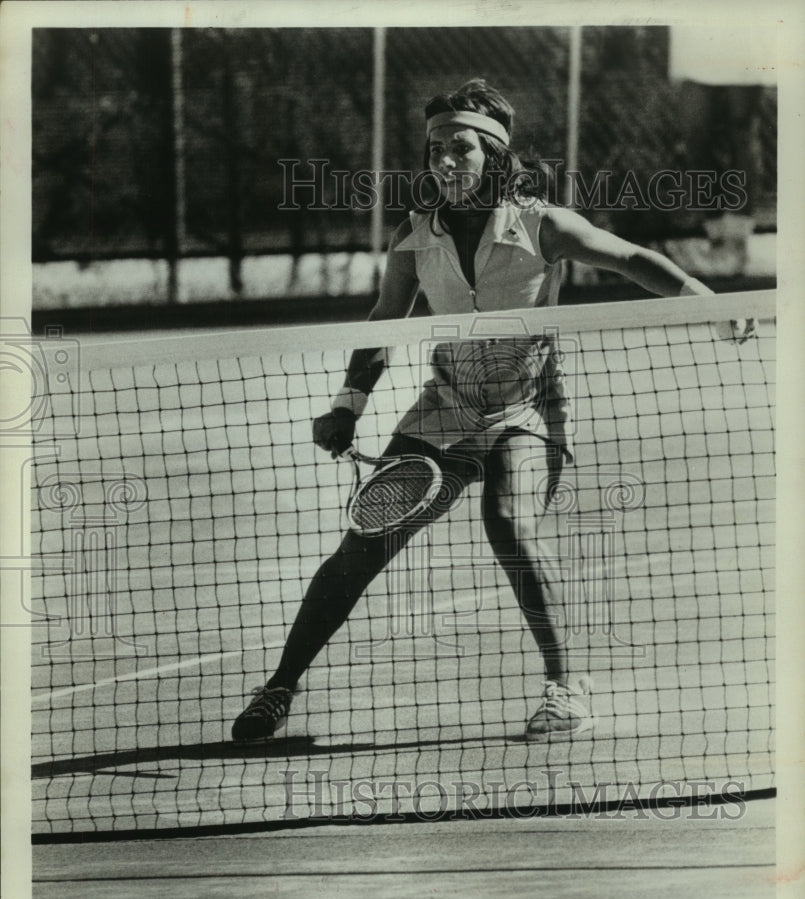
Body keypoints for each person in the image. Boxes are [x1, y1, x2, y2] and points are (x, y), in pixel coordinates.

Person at [232, 79, 754, 744]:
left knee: (507, 521)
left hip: (525, 411)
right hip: (443, 411)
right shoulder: (414, 236)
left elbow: (632, 259)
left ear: (495, 158)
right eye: (434, 151)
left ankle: (567, 690)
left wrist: (708, 303)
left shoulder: (543, 224)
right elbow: (383, 321)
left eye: (461, 150)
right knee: (362, 548)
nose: (445, 162)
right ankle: (278, 689)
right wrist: (347, 403)